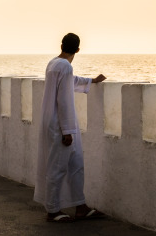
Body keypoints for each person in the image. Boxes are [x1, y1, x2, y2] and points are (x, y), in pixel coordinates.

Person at [33, 33, 107, 222]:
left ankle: (80, 206)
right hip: (62, 126)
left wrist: (91, 81)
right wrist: (67, 131)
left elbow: (69, 83)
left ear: (61, 45)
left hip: (57, 123)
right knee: (57, 167)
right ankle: (52, 210)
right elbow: (64, 99)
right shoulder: (65, 66)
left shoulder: (54, 63)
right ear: (78, 50)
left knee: (76, 164)